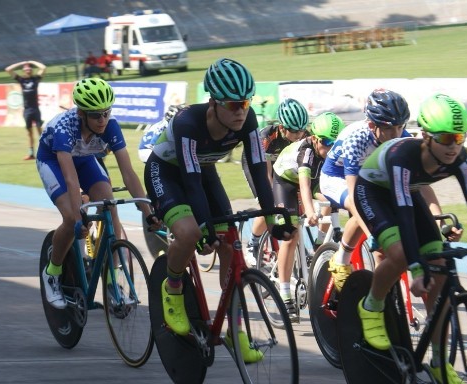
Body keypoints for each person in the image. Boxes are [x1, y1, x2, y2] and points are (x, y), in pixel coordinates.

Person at [353, 94, 467, 384]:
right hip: (375, 192)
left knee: (440, 269)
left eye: (460, 137)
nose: (454, 145)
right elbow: (403, 214)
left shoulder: (461, 157)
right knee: (402, 253)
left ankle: (440, 362)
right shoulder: (403, 156)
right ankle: (371, 305)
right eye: (445, 138)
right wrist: (416, 269)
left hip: (407, 193)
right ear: (427, 137)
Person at [143, 57, 295, 360]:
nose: (241, 111)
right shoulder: (188, 123)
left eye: (246, 102)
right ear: (213, 103)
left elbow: (258, 172)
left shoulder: (248, 121)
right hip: (169, 173)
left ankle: (233, 328)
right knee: (188, 233)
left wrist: (273, 218)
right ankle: (172, 289)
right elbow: (189, 181)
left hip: (204, 171)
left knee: (229, 242)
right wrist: (202, 228)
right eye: (233, 104)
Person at [38, 78, 155, 310]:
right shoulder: (64, 128)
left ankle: (111, 280)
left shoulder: (110, 125)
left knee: (109, 204)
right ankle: (52, 272)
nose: (102, 120)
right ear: (81, 113)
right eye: (96, 115)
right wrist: (78, 217)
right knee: (71, 218)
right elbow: (71, 179)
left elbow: (128, 173)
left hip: (85, 158)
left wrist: (148, 212)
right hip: (54, 161)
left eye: (106, 113)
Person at [319, 89, 410, 291]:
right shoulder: (356, 138)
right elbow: (355, 194)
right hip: (337, 177)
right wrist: (373, 234)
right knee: (360, 205)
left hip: (368, 175)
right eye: (389, 128)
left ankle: (385, 293)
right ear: (372, 125)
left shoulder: (403, 135)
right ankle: (341, 259)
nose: (397, 134)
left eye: (400, 126)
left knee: (384, 229)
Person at [271, 111, 345, 320]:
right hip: (286, 180)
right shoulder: (307, 151)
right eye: (326, 142)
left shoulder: (332, 151)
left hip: (313, 180)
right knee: (291, 234)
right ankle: (285, 293)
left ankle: (318, 247)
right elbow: (303, 186)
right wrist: (311, 211)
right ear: (314, 138)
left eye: (335, 143)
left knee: (332, 201)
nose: (330, 148)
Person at [242, 98, 310, 265]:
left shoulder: (305, 135)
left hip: (283, 166)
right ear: (282, 127)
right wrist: (272, 197)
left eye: (302, 131)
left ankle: (299, 246)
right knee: (268, 204)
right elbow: (266, 175)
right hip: (258, 163)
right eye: (294, 132)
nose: (299, 136)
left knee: (296, 206)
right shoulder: (266, 138)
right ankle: (253, 243)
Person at [5, 60, 47, 160]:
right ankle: (31, 153)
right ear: (23, 70)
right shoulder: (21, 80)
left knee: (39, 131)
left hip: (35, 109)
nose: (28, 69)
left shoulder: (36, 79)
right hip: (27, 110)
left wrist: (32, 62)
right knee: (29, 133)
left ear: (31, 70)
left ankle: (44, 152)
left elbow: (43, 67)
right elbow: (8, 69)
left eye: (29, 67)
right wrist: (21, 63)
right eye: (26, 68)